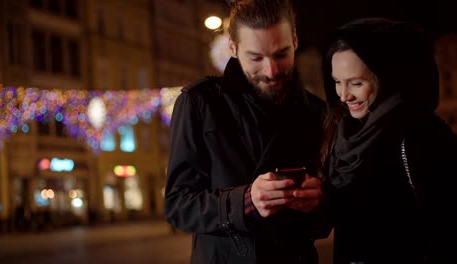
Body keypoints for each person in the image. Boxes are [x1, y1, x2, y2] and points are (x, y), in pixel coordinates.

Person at [164, 0, 331, 263]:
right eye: (256, 57)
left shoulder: (317, 111)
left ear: (295, 41)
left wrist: (318, 203)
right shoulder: (199, 102)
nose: (271, 70)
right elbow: (178, 206)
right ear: (232, 47)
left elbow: (326, 219)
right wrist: (245, 201)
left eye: (281, 54)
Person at [320, 17, 457, 263]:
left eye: (356, 83)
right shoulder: (345, 133)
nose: (343, 95)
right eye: (337, 82)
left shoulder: (423, 136)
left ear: (389, 78)